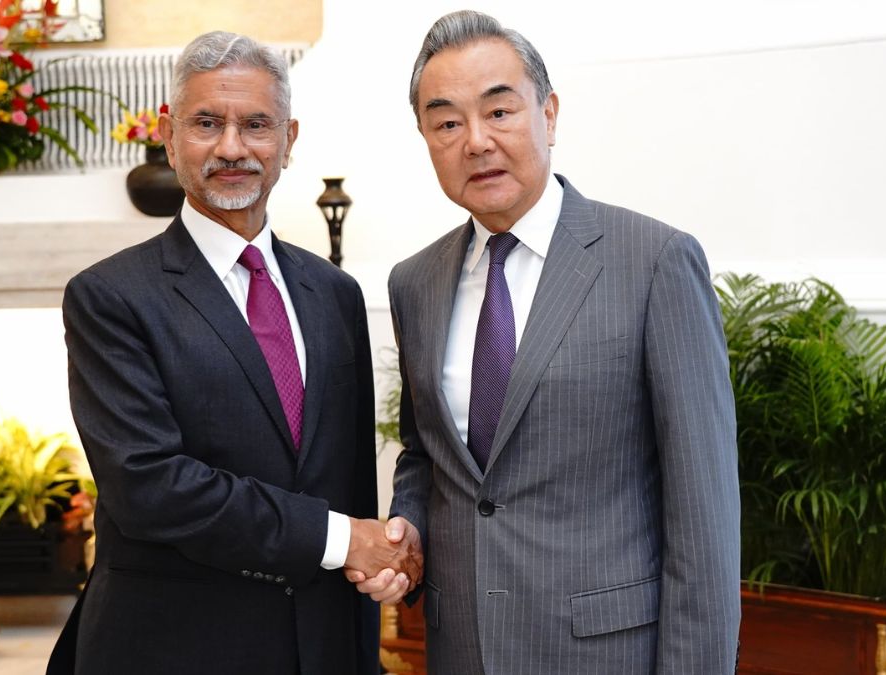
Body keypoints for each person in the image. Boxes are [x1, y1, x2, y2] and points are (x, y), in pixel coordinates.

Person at [348, 10, 740, 675]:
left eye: (499, 112)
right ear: (426, 138)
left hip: (606, 654)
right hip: (463, 649)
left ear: (549, 115)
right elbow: (424, 451)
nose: (476, 142)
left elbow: (704, 515)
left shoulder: (654, 262)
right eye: (447, 123)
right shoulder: (414, 283)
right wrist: (408, 525)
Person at [47, 31, 418, 675]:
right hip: (174, 649)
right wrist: (341, 539)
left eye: (256, 125)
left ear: (288, 140)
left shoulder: (335, 293)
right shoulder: (110, 296)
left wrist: (372, 588)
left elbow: (349, 480)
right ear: (169, 135)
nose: (231, 147)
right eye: (206, 123)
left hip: (323, 646)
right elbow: (149, 486)